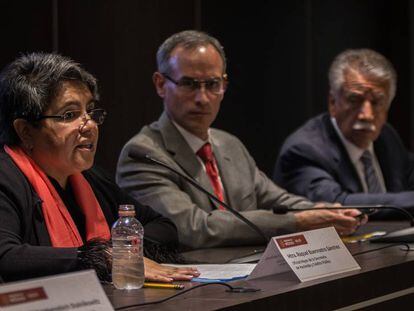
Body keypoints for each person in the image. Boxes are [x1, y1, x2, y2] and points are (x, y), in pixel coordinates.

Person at [116, 30, 364, 250]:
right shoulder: (143, 154)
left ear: (223, 85)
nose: (202, 98)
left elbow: (277, 200)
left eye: (212, 84)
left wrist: (326, 212)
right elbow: (193, 228)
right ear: (161, 84)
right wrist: (298, 221)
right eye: (189, 84)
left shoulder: (228, 144)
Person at [0, 52, 199, 282]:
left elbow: (162, 227)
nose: (90, 125)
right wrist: (101, 258)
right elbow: (6, 256)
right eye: (70, 114)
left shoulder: (90, 179)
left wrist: (119, 253)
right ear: (25, 131)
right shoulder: (7, 179)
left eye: (90, 111)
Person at [274, 48, 414, 219]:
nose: (366, 114)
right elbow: (337, 204)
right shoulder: (304, 150)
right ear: (333, 102)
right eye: (355, 100)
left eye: (377, 102)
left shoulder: (386, 136)